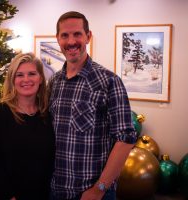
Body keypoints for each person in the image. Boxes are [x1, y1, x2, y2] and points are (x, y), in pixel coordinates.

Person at [47, 11, 138, 200]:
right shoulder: (54, 82)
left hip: (93, 194)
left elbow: (125, 139)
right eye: (65, 35)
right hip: (56, 190)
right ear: (58, 39)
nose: (71, 41)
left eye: (77, 34)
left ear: (88, 36)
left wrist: (99, 190)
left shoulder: (109, 81)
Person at [0, 53, 55, 200]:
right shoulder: (0, 114)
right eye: (20, 75)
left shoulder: (47, 114)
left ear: (40, 78)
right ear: (12, 80)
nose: (26, 79)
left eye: (32, 74)